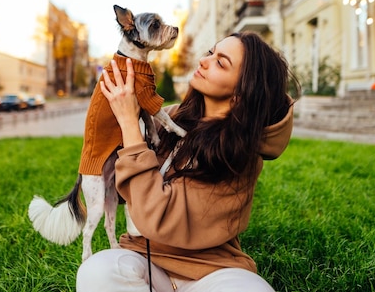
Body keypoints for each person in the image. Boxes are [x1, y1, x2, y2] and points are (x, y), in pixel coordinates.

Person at [76, 32, 301, 292]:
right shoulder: (170, 119)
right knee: (96, 272)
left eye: (221, 63)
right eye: (210, 52)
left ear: (241, 93)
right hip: (145, 262)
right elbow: (122, 188)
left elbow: (156, 217)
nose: (205, 61)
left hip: (211, 272)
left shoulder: (240, 155)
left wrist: (129, 124)